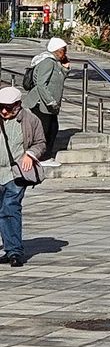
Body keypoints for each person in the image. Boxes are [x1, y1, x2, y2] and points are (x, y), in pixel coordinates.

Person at [0, 85, 45, 267]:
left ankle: (15, 252)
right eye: (0, 106)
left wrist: (31, 154)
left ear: (18, 105)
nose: (4, 111)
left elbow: (40, 143)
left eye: (8, 107)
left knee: (10, 208)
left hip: (15, 173)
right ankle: (10, 247)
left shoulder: (30, 120)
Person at [24, 36, 69, 160]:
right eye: (64, 50)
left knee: (53, 128)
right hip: (41, 103)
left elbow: (58, 79)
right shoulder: (48, 62)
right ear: (58, 50)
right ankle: (40, 157)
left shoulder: (54, 62)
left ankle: (45, 156)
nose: (65, 53)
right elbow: (41, 84)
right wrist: (50, 101)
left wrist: (65, 69)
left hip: (48, 105)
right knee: (44, 131)